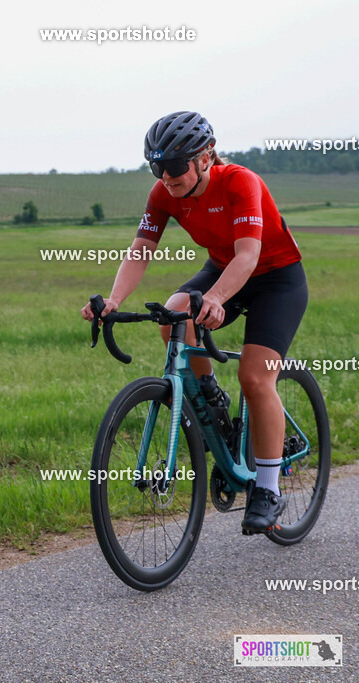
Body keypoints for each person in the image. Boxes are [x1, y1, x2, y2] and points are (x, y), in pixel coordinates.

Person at [80, 111, 307, 534]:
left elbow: (248, 256)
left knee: (256, 378)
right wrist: (113, 300)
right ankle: (211, 400)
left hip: (275, 278)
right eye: (156, 167)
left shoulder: (240, 182)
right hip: (224, 268)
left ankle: (268, 488)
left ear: (206, 157)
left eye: (175, 166)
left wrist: (219, 298)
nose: (166, 176)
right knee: (172, 316)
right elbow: (141, 249)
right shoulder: (164, 193)